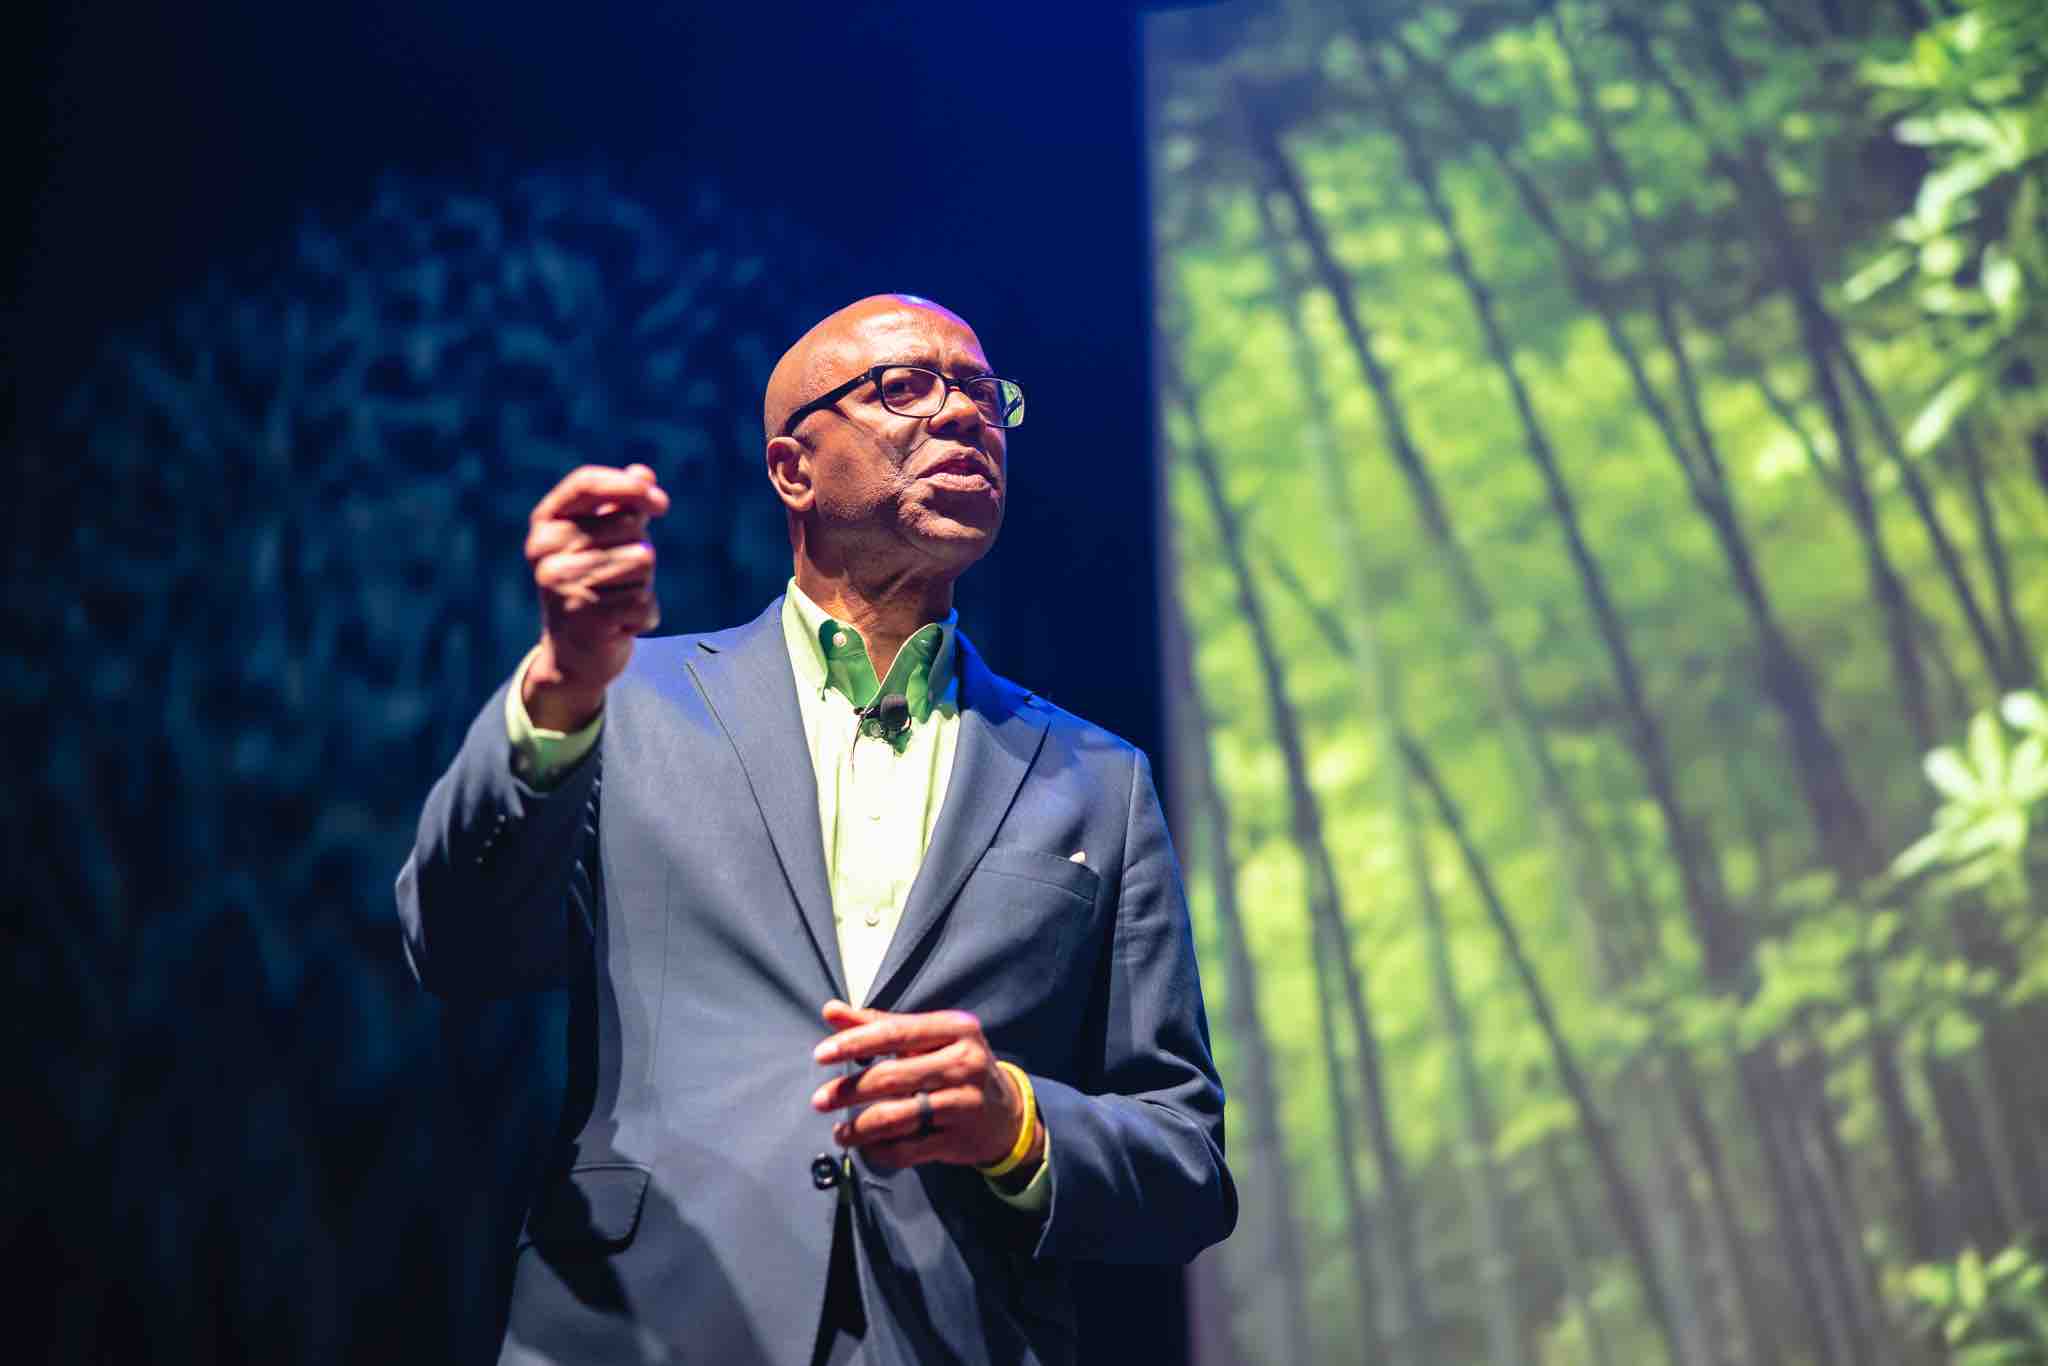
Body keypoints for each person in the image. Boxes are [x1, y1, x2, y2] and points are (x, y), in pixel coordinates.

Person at [397, 294, 1236, 1366]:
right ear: (794, 469)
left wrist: (1016, 1120)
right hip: (642, 1328)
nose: (964, 417)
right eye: (904, 388)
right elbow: (457, 943)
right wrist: (558, 690)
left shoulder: (1096, 780)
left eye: (983, 394)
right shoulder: (625, 700)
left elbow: (1186, 1164)